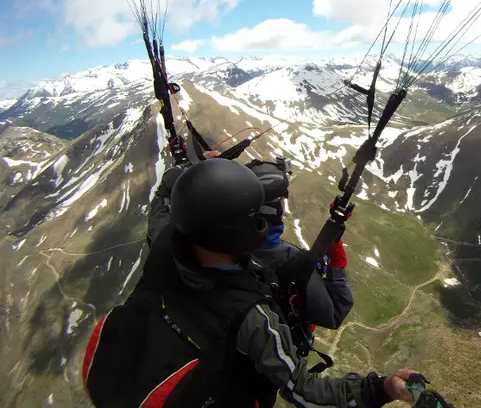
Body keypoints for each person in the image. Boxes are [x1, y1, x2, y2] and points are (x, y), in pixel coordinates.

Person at [82, 158, 417, 408]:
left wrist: (194, 179)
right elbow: (303, 389)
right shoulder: (251, 315)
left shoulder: (165, 243)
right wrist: (381, 388)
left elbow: (163, 200)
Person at [247, 158, 353, 359]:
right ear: (273, 209)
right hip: (276, 356)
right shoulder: (290, 261)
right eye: (282, 199)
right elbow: (336, 312)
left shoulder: (224, 244)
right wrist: (337, 257)